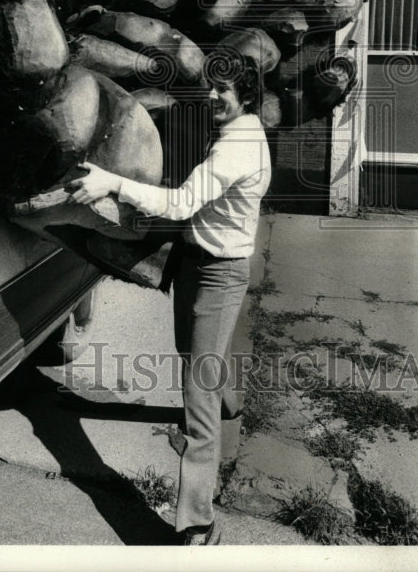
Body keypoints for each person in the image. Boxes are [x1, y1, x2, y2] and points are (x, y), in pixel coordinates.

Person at [70, 53, 272, 545]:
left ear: (245, 94)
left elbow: (182, 202)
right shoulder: (239, 130)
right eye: (210, 87)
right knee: (197, 357)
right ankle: (229, 403)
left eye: (222, 90)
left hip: (219, 274)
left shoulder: (237, 147)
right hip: (196, 259)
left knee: (196, 393)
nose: (212, 96)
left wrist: (110, 181)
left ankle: (198, 524)